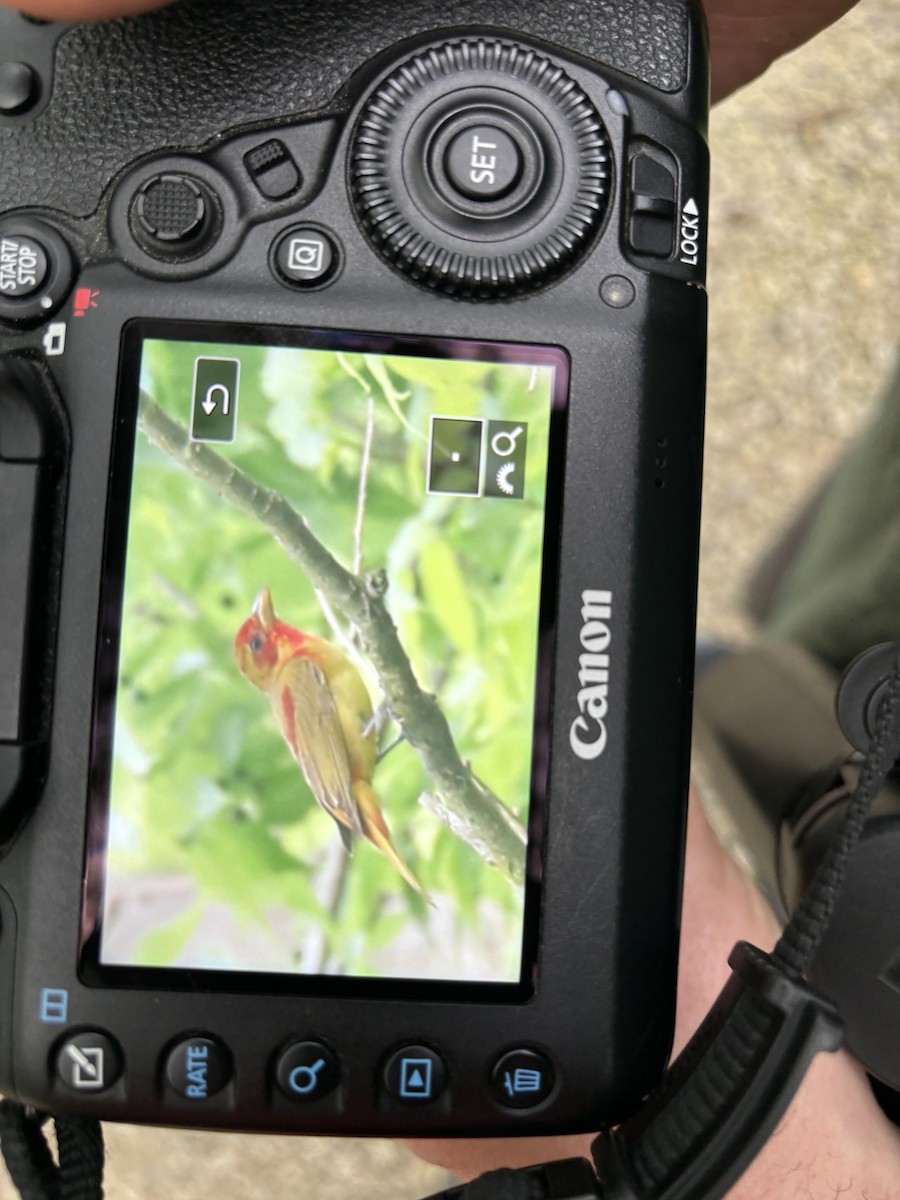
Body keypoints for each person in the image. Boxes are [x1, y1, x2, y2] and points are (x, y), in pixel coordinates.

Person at [4, 0, 897, 1194]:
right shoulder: (304, 685)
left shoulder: (319, 653)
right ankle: (732, 684)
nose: (278, 625)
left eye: (269, 625)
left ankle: (728, 686)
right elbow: (340, 768)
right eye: (267, 633)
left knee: (765, 659)